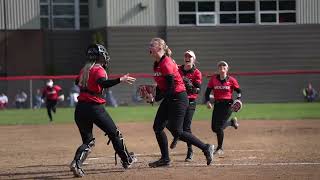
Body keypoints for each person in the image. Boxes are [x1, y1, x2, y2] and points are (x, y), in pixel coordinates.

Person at [69, 44, 137, 177]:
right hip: (94, 108)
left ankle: (76, 163)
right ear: (101, 56)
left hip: (80, 108)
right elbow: (103, 83)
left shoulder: (85, 69)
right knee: (115, 134)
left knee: (88, 141)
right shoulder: (98, 69)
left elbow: (77, 82)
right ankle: (127, 160)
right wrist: (120, 79)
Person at [147, 37, 214, 168]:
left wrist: (156, 98)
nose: (149, 47)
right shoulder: (156, 63)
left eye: (152, 45)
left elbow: (171, 88)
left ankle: (206, 147)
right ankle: (165, 159)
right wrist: (154, 97)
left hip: (178, 97)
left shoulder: (166, 63)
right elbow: (162, 87)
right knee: (158, 127)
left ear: (160, 48)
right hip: (170, 97)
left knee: (177, 131)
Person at [169, 50, 202, 162]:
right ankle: (177, 135)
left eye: (190, 56)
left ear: (194, 59)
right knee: (169, 123)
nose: (187, 58)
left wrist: (190, 86)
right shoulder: (178, 68)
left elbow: (197, 90)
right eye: (186, 56)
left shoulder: (196, 72)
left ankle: (190, 150)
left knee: (186, 127)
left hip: (190, 101)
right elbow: (170, 67)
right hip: (178, 100)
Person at [204, 61, 241, 156]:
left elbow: (239, 91)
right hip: (217, 105)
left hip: (228, 105)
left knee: (219, 127)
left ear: (227, 69)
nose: (222, 67)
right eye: (220, 66)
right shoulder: (213, 79)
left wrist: (238, 99)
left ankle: (220, 148)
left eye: (224, 66)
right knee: (214, 128)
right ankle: (231, 123)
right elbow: (207, 92)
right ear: (218, 69)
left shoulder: (231, 80)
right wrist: (207, 101)